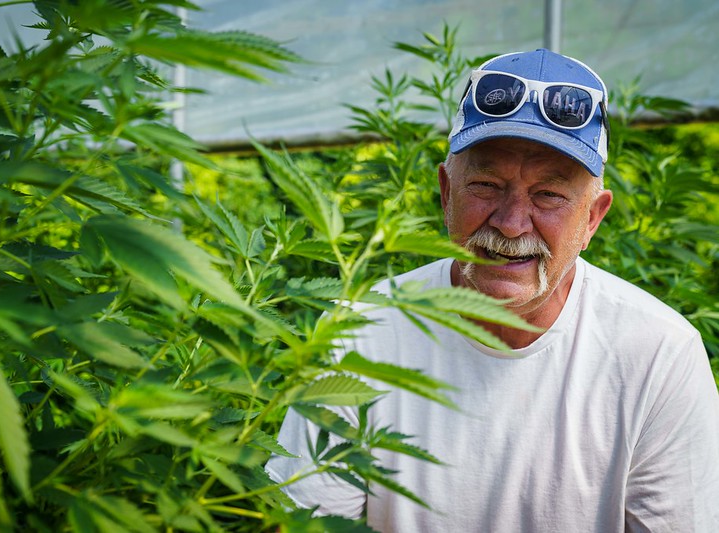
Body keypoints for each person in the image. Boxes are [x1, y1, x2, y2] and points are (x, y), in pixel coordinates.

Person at [265, 49, 719, 532]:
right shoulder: (360, 330)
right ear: (446, 194)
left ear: (592, 218)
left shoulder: (658, 353)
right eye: (486, 185)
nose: (510, 222)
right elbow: (303, 524)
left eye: (549, 194)